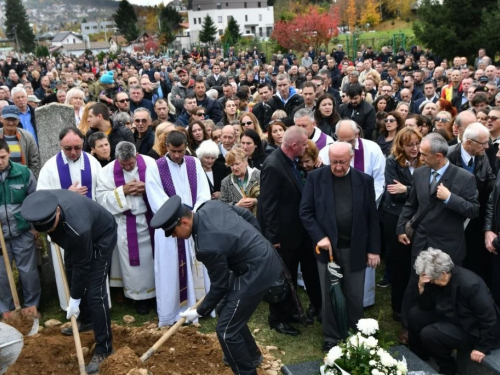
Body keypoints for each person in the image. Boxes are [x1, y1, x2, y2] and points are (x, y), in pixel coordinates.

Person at [150, 195, 282, 375]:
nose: (174, 237)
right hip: (255, 261)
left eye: (173, 232)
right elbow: (246, 214)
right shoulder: (209, 206)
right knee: (224, 310)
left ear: (185, 222)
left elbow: (219, 285)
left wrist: (199, 311)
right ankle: (252, 355)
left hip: (258, 271)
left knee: (226, 331)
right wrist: (257, 241)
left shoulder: (206, 246)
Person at [21, 189, 117, 374]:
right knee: (70, 271)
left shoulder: (78, 229)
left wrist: (74, 300)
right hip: (72, 233)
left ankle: (105, 349)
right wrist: (51, 231)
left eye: (50, 228)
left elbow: (84, 266)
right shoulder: (43, 204)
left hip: (101, 236)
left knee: (95, 292)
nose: (49, 231)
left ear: (57, 211)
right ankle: (87, 321)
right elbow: (75, 269)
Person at [300, 142, 381, 351]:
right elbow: (306, 212)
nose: (337, 167)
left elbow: (372, 217)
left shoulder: (364, 181)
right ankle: (332, 336)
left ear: (351, 158)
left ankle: (355, 333)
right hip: (328, 251)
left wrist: (373, 250)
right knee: (329, 294)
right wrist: (320, 237)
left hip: (356, 248)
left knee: (354, 294)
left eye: (342, 162)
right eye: (334, 162)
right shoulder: (316, 178)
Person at [397, 133, 480, 327]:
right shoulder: (419, 173)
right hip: (421, 242)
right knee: (416, 283)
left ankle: (445, 327)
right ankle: (410, 326)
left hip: (448, 245)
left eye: (424, 155)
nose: (420, 158)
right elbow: (411, 205)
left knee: (446, 286)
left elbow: (474, 210)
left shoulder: (465, 178)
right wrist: (401, 228)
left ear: (439, 156)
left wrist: (450, 198)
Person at [145, 130, 211, 326]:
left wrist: (193, 215)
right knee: (170, 269)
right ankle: (173, 312)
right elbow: (156, 198)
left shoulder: (194, 163)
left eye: (181, 151)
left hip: (192, 224)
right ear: (166, 147)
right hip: (170, 229)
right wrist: (178, 217)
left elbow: (203, 192)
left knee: (198, 265)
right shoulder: (156, 168)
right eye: (173, 151)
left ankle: (200, 307)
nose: (177, 155)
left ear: (186, 147)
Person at [260, 126, 321, 336]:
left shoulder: (290, 162)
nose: (306, 147)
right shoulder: (273, 165)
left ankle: (292, 310)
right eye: (304, 144)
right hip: (283, 236)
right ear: (294, 145)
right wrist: (273, 237)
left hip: (299, 231)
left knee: (294, 275)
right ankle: (277, 318)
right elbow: (268, 205)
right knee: (283, 277)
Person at [408, 248, 500, 375]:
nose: (432, 282)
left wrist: (482, 347)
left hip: (470, 328)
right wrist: (421, 286)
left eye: (433, 280)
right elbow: (425, 306)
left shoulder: (470, 284)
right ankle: (419, 357)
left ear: (444, 273)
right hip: (450, 315)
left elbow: (489, 318)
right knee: (415, 315)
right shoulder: (436, 278)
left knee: (429, 334)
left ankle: (448, 368)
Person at [96, 142, 156, 315]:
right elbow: (101, 198)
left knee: (153, 260)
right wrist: (123, 190)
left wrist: (147, 188)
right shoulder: (106, 172)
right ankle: (140, 298)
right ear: (117, 160)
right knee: (134, 265)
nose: (129, 167)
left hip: (150, 220)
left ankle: (156, 295)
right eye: (124, 165)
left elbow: (163, 187)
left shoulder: (150, 163)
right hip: (125, 222)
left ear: (136, 155)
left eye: (131, 163)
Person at [381, 128, 423, 324]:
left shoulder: (425, 160)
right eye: (409, 145)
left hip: (419, 217)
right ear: (401, 146)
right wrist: (414, 191)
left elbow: (428, 190)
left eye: (417, 143)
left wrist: (407, 188)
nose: (415, 148)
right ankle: (398, 307)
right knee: (400, 264)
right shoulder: (392, 161)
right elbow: (393, 192)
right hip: (396, 216)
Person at [448, 123, 495, 283]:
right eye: (483, 143)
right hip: (452, 219)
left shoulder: (482, 156)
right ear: (469, 142)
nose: (487, 147)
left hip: (475, 218)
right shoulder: (448, 155)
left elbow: (490, 183)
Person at [0, 139, 40, 319]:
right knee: (1, 274)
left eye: (2, 157)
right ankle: (6, 309)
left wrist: (34, 227)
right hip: (0, 235)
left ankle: (31, 306)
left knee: (28, 271)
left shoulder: (23, 172)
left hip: (22, 230)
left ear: (9, 154)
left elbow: (34, 200)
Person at [319, 120, 386, 203]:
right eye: (342, 141)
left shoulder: (373, 149)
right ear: (336, 136)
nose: (347, 145)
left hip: (366, 201)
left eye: (350, 141)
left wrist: (369, 202)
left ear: (357, 134)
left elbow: (379, 180)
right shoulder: (327, 151)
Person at [0, 105, 40, 178]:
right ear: (1, 119)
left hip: (21, 179)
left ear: (18, 120)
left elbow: (34, 162)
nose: (11, 123)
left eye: (14, 119)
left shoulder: (27, 137)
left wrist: (30, 179)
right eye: (8, 119)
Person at [220, 147, 260, 214]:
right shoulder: (226, 182)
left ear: (245, 162)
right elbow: (222, 206)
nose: (235, 168)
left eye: (237, 164)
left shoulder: (258, 175)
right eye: (231, 165)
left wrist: (255, 201)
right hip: (238, 221)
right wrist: (237, 206)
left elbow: (269, 197)